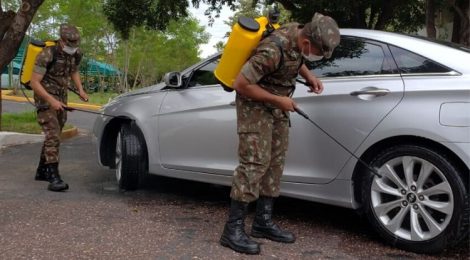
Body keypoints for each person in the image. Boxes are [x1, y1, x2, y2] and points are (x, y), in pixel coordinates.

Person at [219, 13, 340, 254]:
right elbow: (241, 85)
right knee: (254, 164)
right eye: (318, 51)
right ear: (307, 42)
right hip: (255, 107)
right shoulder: (272, 49)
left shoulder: (298, 35)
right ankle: (232, 231)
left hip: (276, 106)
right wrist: (278, 100)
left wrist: (310, 76)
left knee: (275, 163)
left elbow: (297, 59)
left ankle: (262, 223)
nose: (317, 56)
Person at [30, 24, 88, 192]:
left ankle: (42, 171)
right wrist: (51, 100)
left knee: (54, 133)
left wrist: (81, 90)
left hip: (61, 97)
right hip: (45, 97)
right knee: (53, 133)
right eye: (69, 44)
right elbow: (34, 82)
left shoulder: (76, 53)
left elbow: (74, 71)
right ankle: (54, 177)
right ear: (61, 41)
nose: (72, 47)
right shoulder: (47, 54)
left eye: (75, 44)